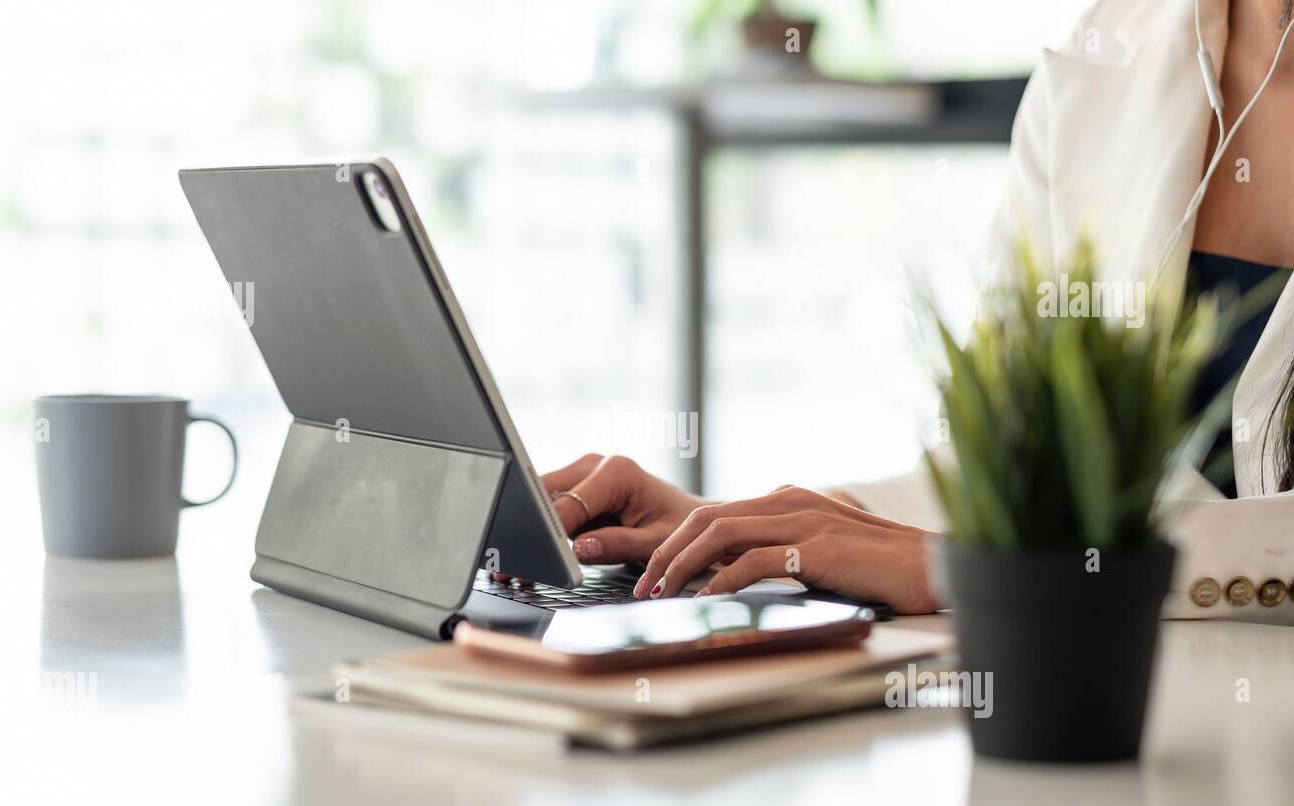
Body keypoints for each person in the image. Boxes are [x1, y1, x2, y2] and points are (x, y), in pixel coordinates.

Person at [535, 0, 1294, 622]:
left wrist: (976, 571)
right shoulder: (1103, 63)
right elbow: (1014, 467)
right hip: (1111, 716)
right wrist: (755, 531)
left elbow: (1024, 547)